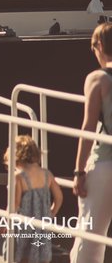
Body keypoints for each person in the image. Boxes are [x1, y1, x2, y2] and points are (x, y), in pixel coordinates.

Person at [70, 22, 112, 263]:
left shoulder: (97, 79)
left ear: (99, 46)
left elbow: (88, 127)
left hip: (105, 163)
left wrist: (79, 171)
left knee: (90, 235)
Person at [2, 135, 62, 263]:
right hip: (41, 223)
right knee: (39, 254)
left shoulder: (19, 177)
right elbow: (59, 197)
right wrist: (51, 214)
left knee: (21, 254)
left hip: (24, 224)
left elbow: (15, 203)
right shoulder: (47, 174)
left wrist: (5, 222)